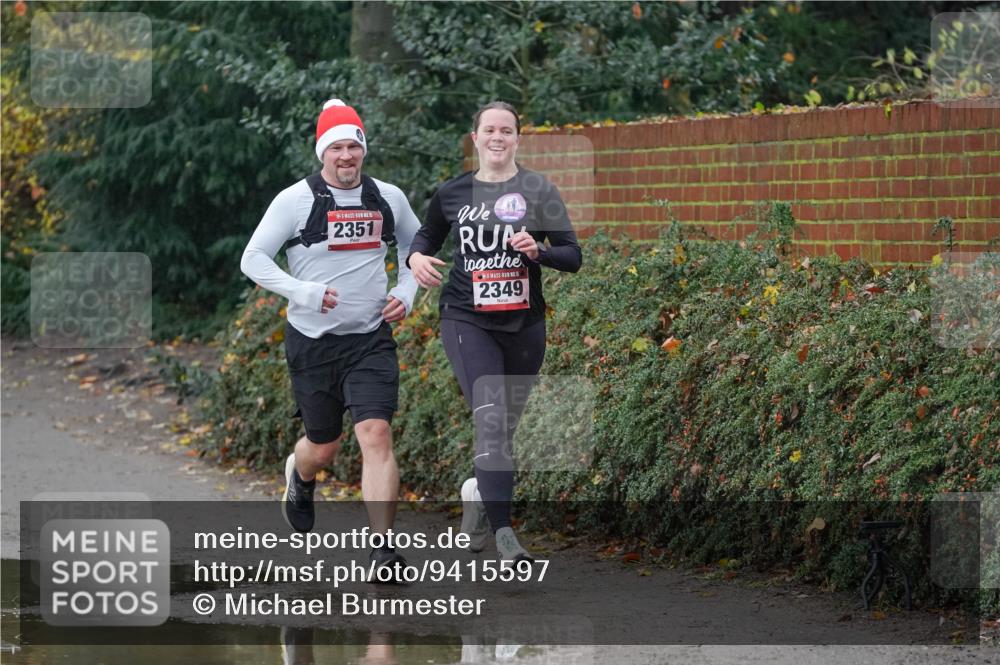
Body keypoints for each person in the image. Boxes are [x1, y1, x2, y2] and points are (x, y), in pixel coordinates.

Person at [241, 98, 418, 575]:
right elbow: (252, 258)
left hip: (370, 338)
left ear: (363, 151)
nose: (346, 157)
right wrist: (303, 292)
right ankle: (299, 476)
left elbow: (416, 248)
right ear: (323, 152)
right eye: (336, 147)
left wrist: (407, 290)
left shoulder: (387, 197)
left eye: (353, 147)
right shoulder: (294, 200)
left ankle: (383, 550)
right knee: (324, 446)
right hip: (313, 342)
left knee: (376, 433)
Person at [407, 101, 582, 562]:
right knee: (490, 422)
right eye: (490, 130)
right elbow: (426, 236)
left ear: (517, 139)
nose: (498, 137)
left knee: (502, 430)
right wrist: (415, 258)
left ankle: (476, 495)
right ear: (476, 137)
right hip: (467, 319)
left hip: (525, 323)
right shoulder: (453, 192)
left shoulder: (539, 190)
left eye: (507, 130)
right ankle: (506, 536)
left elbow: (572, 255)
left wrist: (538, 252)